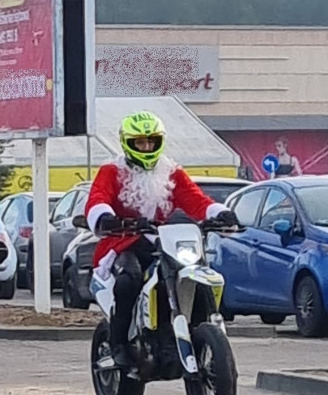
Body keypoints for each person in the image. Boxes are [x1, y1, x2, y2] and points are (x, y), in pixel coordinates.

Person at [84, 111, 237, 368]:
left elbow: (196, 199)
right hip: (124, 241)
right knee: (128, 279)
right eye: (140, 142)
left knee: (193, 271)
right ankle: (119, 343)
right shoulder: (112, 171)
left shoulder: (171, 172)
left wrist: (220, 213)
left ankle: (198, 328)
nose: (146, 147)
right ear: (127, 143)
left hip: (163, 242)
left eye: (151, 141)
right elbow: (97, 198)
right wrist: (106, 218)